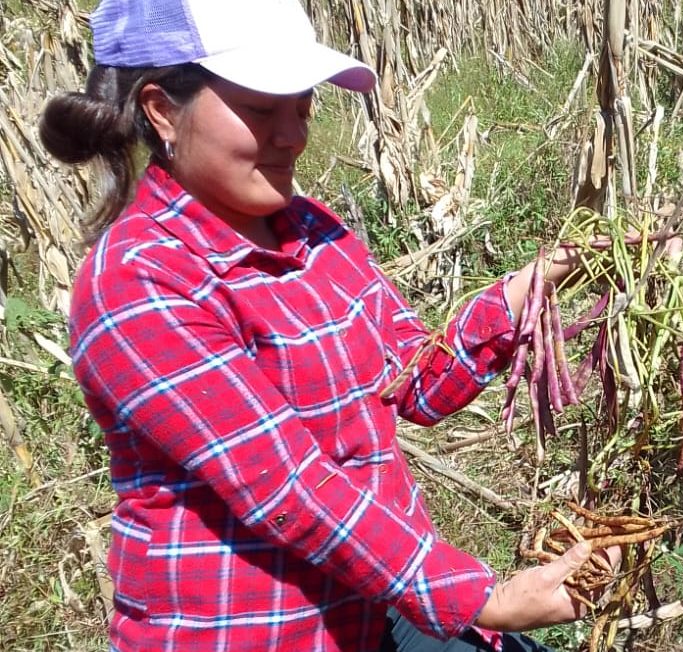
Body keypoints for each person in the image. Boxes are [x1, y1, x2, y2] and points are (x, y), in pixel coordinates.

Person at [41, 1, 601, 650]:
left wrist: (535, 283)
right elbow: (286, 485)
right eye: (260, 110)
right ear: (163, 110)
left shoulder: (312, 231)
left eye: (301, 107)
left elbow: (413, 382)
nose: (293, 136)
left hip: (368, 600)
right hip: (250, 629)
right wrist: (485, 598)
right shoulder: (137, 280)